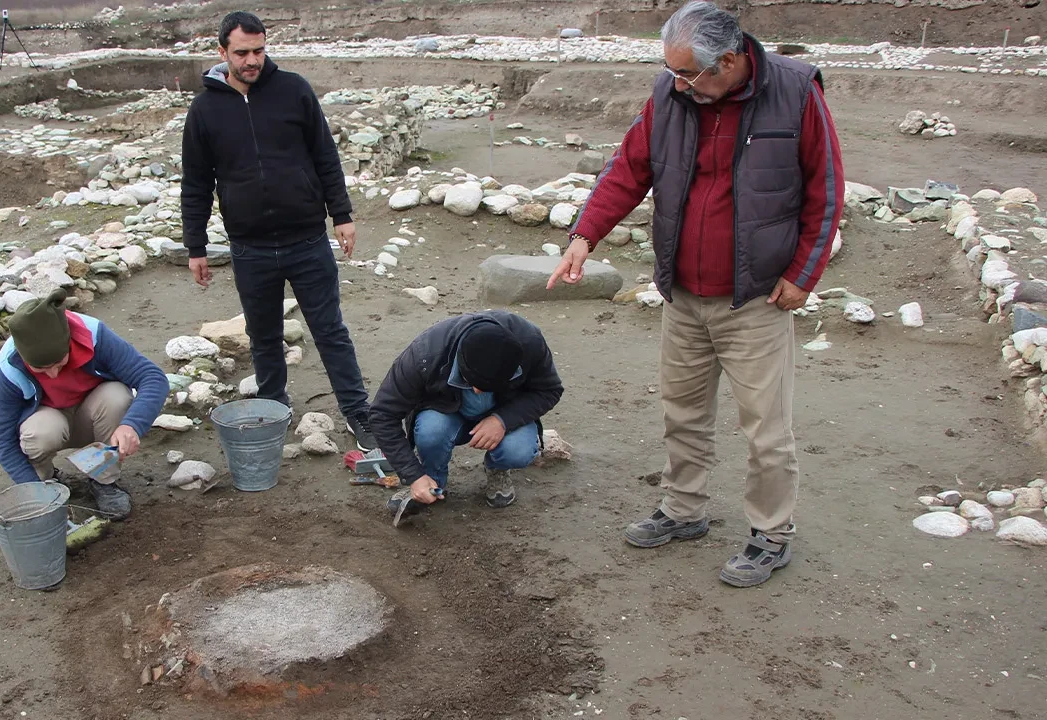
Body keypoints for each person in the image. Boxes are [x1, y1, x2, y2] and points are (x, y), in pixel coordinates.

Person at [547, 0, 844, 587]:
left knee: (766, 429)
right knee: (682, 412)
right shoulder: (671, 94)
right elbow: (629, 168)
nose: (676, 83)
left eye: (687, 74)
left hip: (756, 298)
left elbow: (826, 191)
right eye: (672, 72)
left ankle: (770, 534)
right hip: (683, 293)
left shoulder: (795, 92)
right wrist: (584, 235)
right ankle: (684, 510)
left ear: (729, 61)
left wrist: (802, 276)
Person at [181, 10, 378, 452]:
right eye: (242, 53)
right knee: (263, 335)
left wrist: (341, 215)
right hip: (249, 247)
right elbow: (196, 182)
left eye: (259, 50)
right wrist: (195, 244)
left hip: (307, 240)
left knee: (330, 331)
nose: (252, 60)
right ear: (222, 52)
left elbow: (325, 156)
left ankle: (357, 412)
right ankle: (274, 408)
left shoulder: (294, 90)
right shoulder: (205, 108)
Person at [0, 289, 170, 520]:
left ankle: (104, 481)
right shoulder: (8, 367)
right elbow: (1, 438)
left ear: (69, 342)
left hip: (93, 413)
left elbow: (153, 378)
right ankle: (46, 486)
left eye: (58, 362)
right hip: (50, 421)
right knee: (39, 433)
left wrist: (131, 425)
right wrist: (32, 488)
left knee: (118, 396)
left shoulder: (93, 335)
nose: (53, 374)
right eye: (41, 369)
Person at [366, 311, 564, 521]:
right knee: (431, 431)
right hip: (446, 413)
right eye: (470, 381)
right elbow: (382, 414)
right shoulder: (426, 353)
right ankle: (431, 480)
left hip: (504, 411)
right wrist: (413, 474)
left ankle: (497, 468)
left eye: (489, 386)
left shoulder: (530, 342)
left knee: (518, 450)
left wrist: (503, 420)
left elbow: (549, 390)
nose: (478, 391)